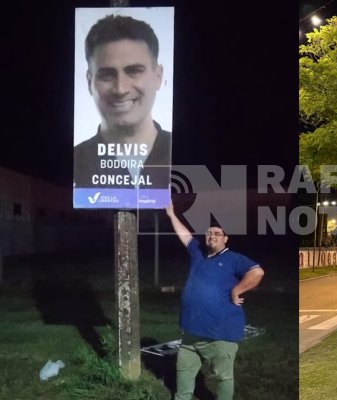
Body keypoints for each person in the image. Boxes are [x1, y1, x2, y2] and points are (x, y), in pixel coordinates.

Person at [166, 203, 265, 400]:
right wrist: (171, 213)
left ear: (225, 238)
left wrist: (237, 289)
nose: (212, 236)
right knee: (183, 374)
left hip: (219, 335)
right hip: (190, 334)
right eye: (209, 233)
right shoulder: (198, 255)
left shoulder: (233, 259)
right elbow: (185, 236)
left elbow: (257, 272)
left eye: (217, 233)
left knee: (223, 377)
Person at [74, 14, 171, 188]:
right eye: (107, 75)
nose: (120, 89)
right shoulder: (72, 162)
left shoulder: (184, 154)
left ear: (158, 76)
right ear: (90, 82)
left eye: (134, 71)